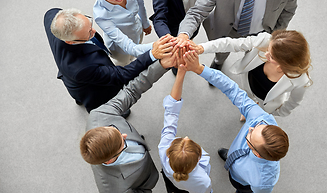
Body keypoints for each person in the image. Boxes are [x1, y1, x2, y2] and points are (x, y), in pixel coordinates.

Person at [181, 50, 289, 193]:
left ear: (256, 153)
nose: (249, 128)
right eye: (255, 128)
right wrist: (199, 69)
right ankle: (230, 157)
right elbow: (232, 89)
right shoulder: (261, 120)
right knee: (235, 154)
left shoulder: (262, 182)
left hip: (243, 183)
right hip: (238, 157)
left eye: (250, 135)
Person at [177, 0, 298, 72]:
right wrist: (184, 33)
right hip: (226, 30)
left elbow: (288, 10)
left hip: (260, 34)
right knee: (221, 51)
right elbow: (198, 10)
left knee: (252, 60)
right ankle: (219, 62)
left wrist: (274, 36)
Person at [44, 7, 174, 114]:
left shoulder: (52, 16)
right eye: (88, 33)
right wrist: (152, 54)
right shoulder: (82, 68)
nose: (94, 31)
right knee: (106, 101)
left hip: (74, 78)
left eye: (90, 24)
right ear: (70, 41)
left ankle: (79, 98)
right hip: (91, 88)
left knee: (79, 91)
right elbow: (121, 75)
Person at [80, 56, 176, 193]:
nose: (125, 135)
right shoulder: (115, 189)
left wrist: (162, 65)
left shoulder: (99, 116)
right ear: (109, 160)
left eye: (116, 130)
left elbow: (131, 90)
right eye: (122, 143)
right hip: (148, 179)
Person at [189, 30, 312, 117]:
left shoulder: (300, 80)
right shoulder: (265, 40)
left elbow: (293, 102)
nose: (266, 54)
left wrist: (274, 112)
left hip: (265, 101)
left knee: (253, 110)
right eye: (268, 49)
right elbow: (231, 44)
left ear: (285, 63)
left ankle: (249, 111)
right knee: (246, 98)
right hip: (247, 84)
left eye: (272, 56)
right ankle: (246, 110)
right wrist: (202, 48)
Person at [158, 49, 212, 193]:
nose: (186, 136)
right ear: (198, 159)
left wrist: (181, 73)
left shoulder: (163, 148)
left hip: (172, 183)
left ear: (168, 154)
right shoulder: (203, 180)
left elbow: (171, 112)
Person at [150, 0, 207, 75]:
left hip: (196, 20)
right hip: (176, 26)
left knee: (191, 37)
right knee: (179, 54)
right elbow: (159, 17)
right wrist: (169, 40)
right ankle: (177, 67)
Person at [92, 0, 153, 66]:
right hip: (120, 48)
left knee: (134, 55)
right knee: (124, 64)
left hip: (137, 31)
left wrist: (145, 23)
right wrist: (158, 46)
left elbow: (140, 3)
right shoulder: (101, 14)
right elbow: (128, 47)